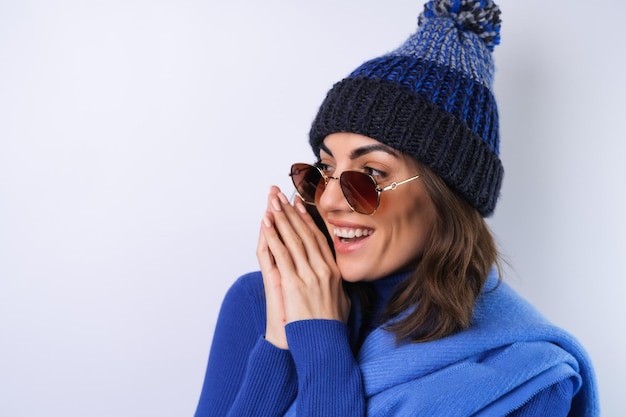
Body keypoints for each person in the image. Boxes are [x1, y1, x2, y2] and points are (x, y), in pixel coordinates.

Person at [194, 1, 599, 415]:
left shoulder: (527, 375)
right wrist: (281, 343)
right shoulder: (260, 302)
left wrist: (321, 344)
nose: (330, 199)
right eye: (325, 168)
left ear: (446, 194)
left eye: (370, 173)